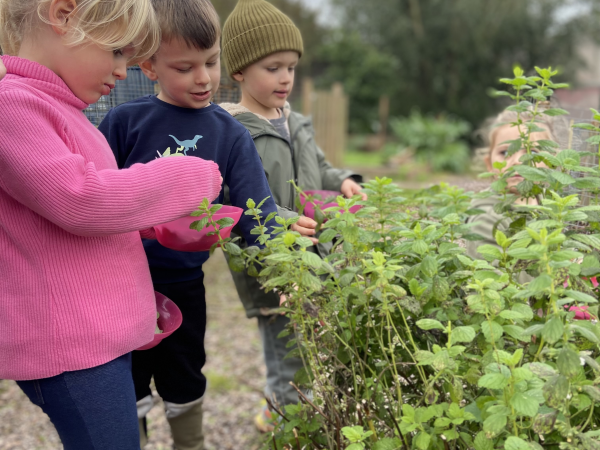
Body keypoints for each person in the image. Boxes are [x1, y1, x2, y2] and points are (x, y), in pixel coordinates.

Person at [0, 0, 223, 448]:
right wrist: (191, 173)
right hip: (74, 349)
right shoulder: (13, 107)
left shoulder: (58, 108)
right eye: (118, 50)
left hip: (91, 343)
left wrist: (141, 224)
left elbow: (64, 217)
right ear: (63, 14)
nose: (125, 70)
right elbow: (83, 199)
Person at [98, 1, 278, 448]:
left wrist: (281, 266)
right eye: (185, 67)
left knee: (184, 368)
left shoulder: (229, 134)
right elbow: (95, 193)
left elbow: (258, 210)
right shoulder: (123, 122)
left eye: (211, 62)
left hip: (183, 280)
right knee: (126, 370)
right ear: (150, 66)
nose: (203, 78)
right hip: (120, 280)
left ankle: (190, 442)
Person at [220, 0, 365, 432]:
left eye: (291, 67)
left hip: (313, 251)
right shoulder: (232, 132)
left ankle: (300, 409)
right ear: (240, 72)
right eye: (273, 67)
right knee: (286, 347)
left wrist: (342, 180)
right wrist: (280, 219)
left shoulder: (295, 121)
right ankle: (283, 422)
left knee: (314, 340)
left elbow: (318, 165)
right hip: (272, 261)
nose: (285, 77)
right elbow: (236, 201)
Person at [466, 110, 559, 282]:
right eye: (505, 152)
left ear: (550, 162)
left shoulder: (551, 204)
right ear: (489, 164)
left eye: (532, 152)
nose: (517, 161)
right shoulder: (486, 217)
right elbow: (491, 281)